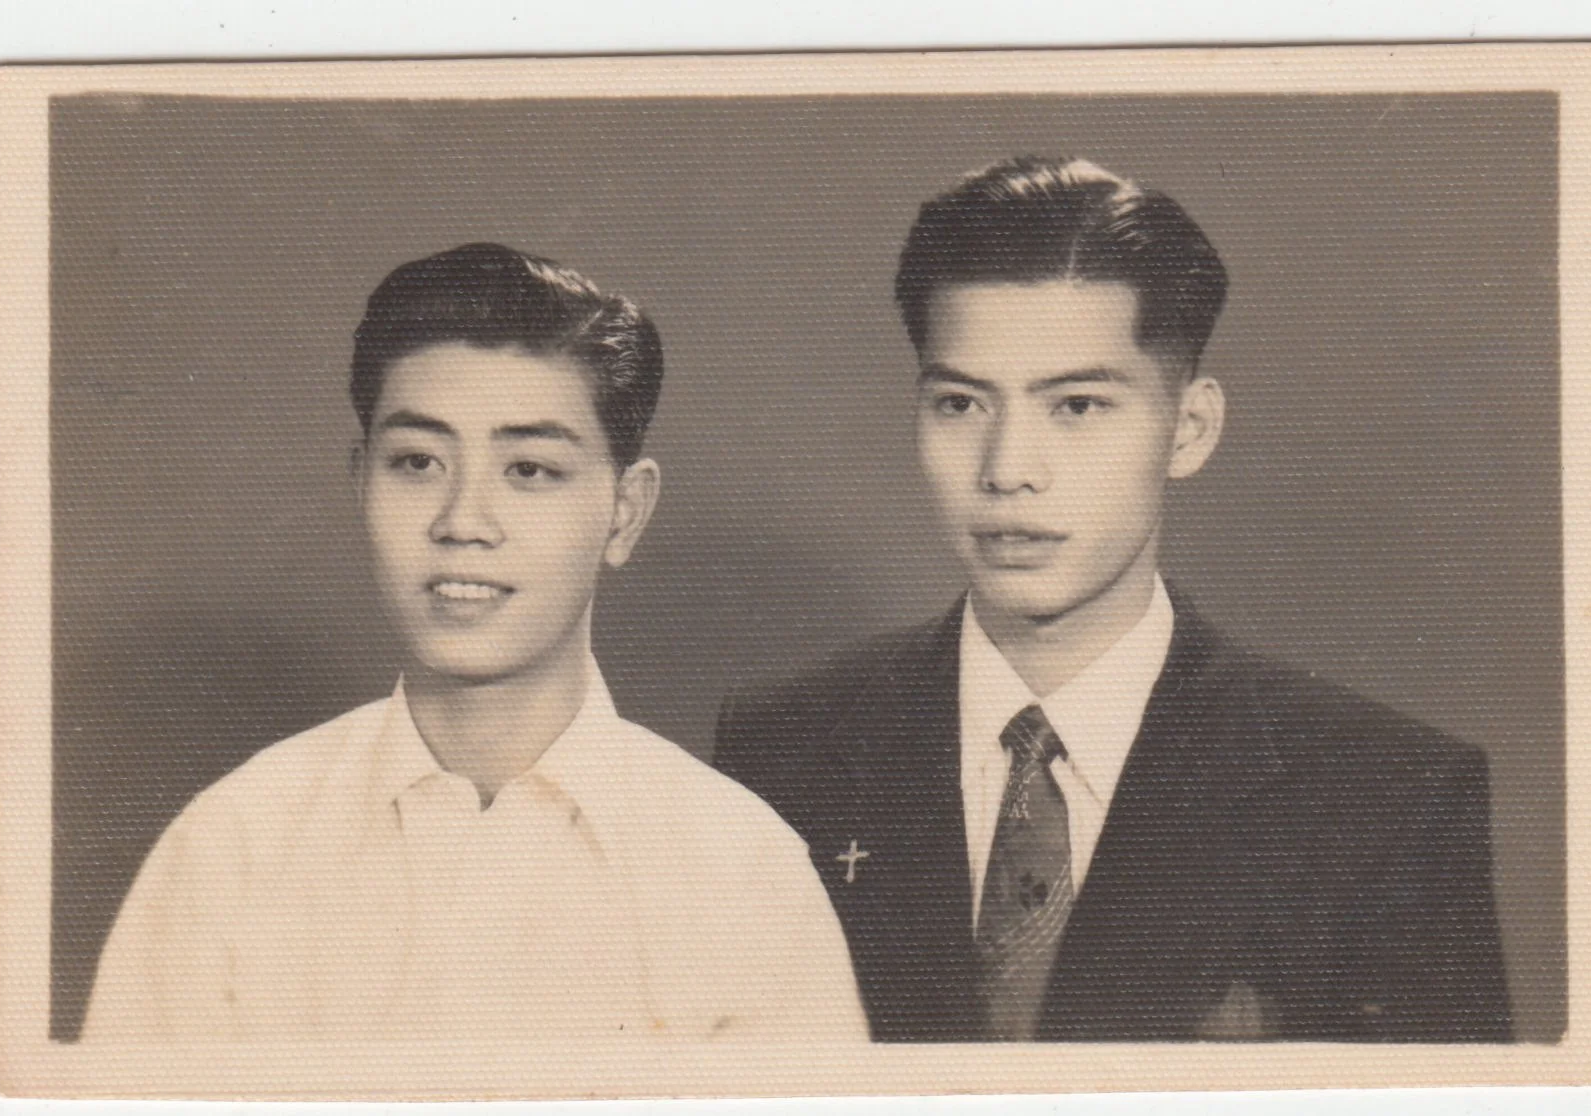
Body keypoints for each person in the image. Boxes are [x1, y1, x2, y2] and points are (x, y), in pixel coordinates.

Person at [712, 156, 1512, 1043]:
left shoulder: (1385, 798)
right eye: (959, 404)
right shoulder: (779, 751)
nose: (1007, 470)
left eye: (1078, 406)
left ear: (1190, 428)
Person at [83, 243, 867, 1044]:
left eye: (528, 470)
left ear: (624, 512)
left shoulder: (738, 870)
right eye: (417, 462)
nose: (462, 522)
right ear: (361, 482)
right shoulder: (233, 846)